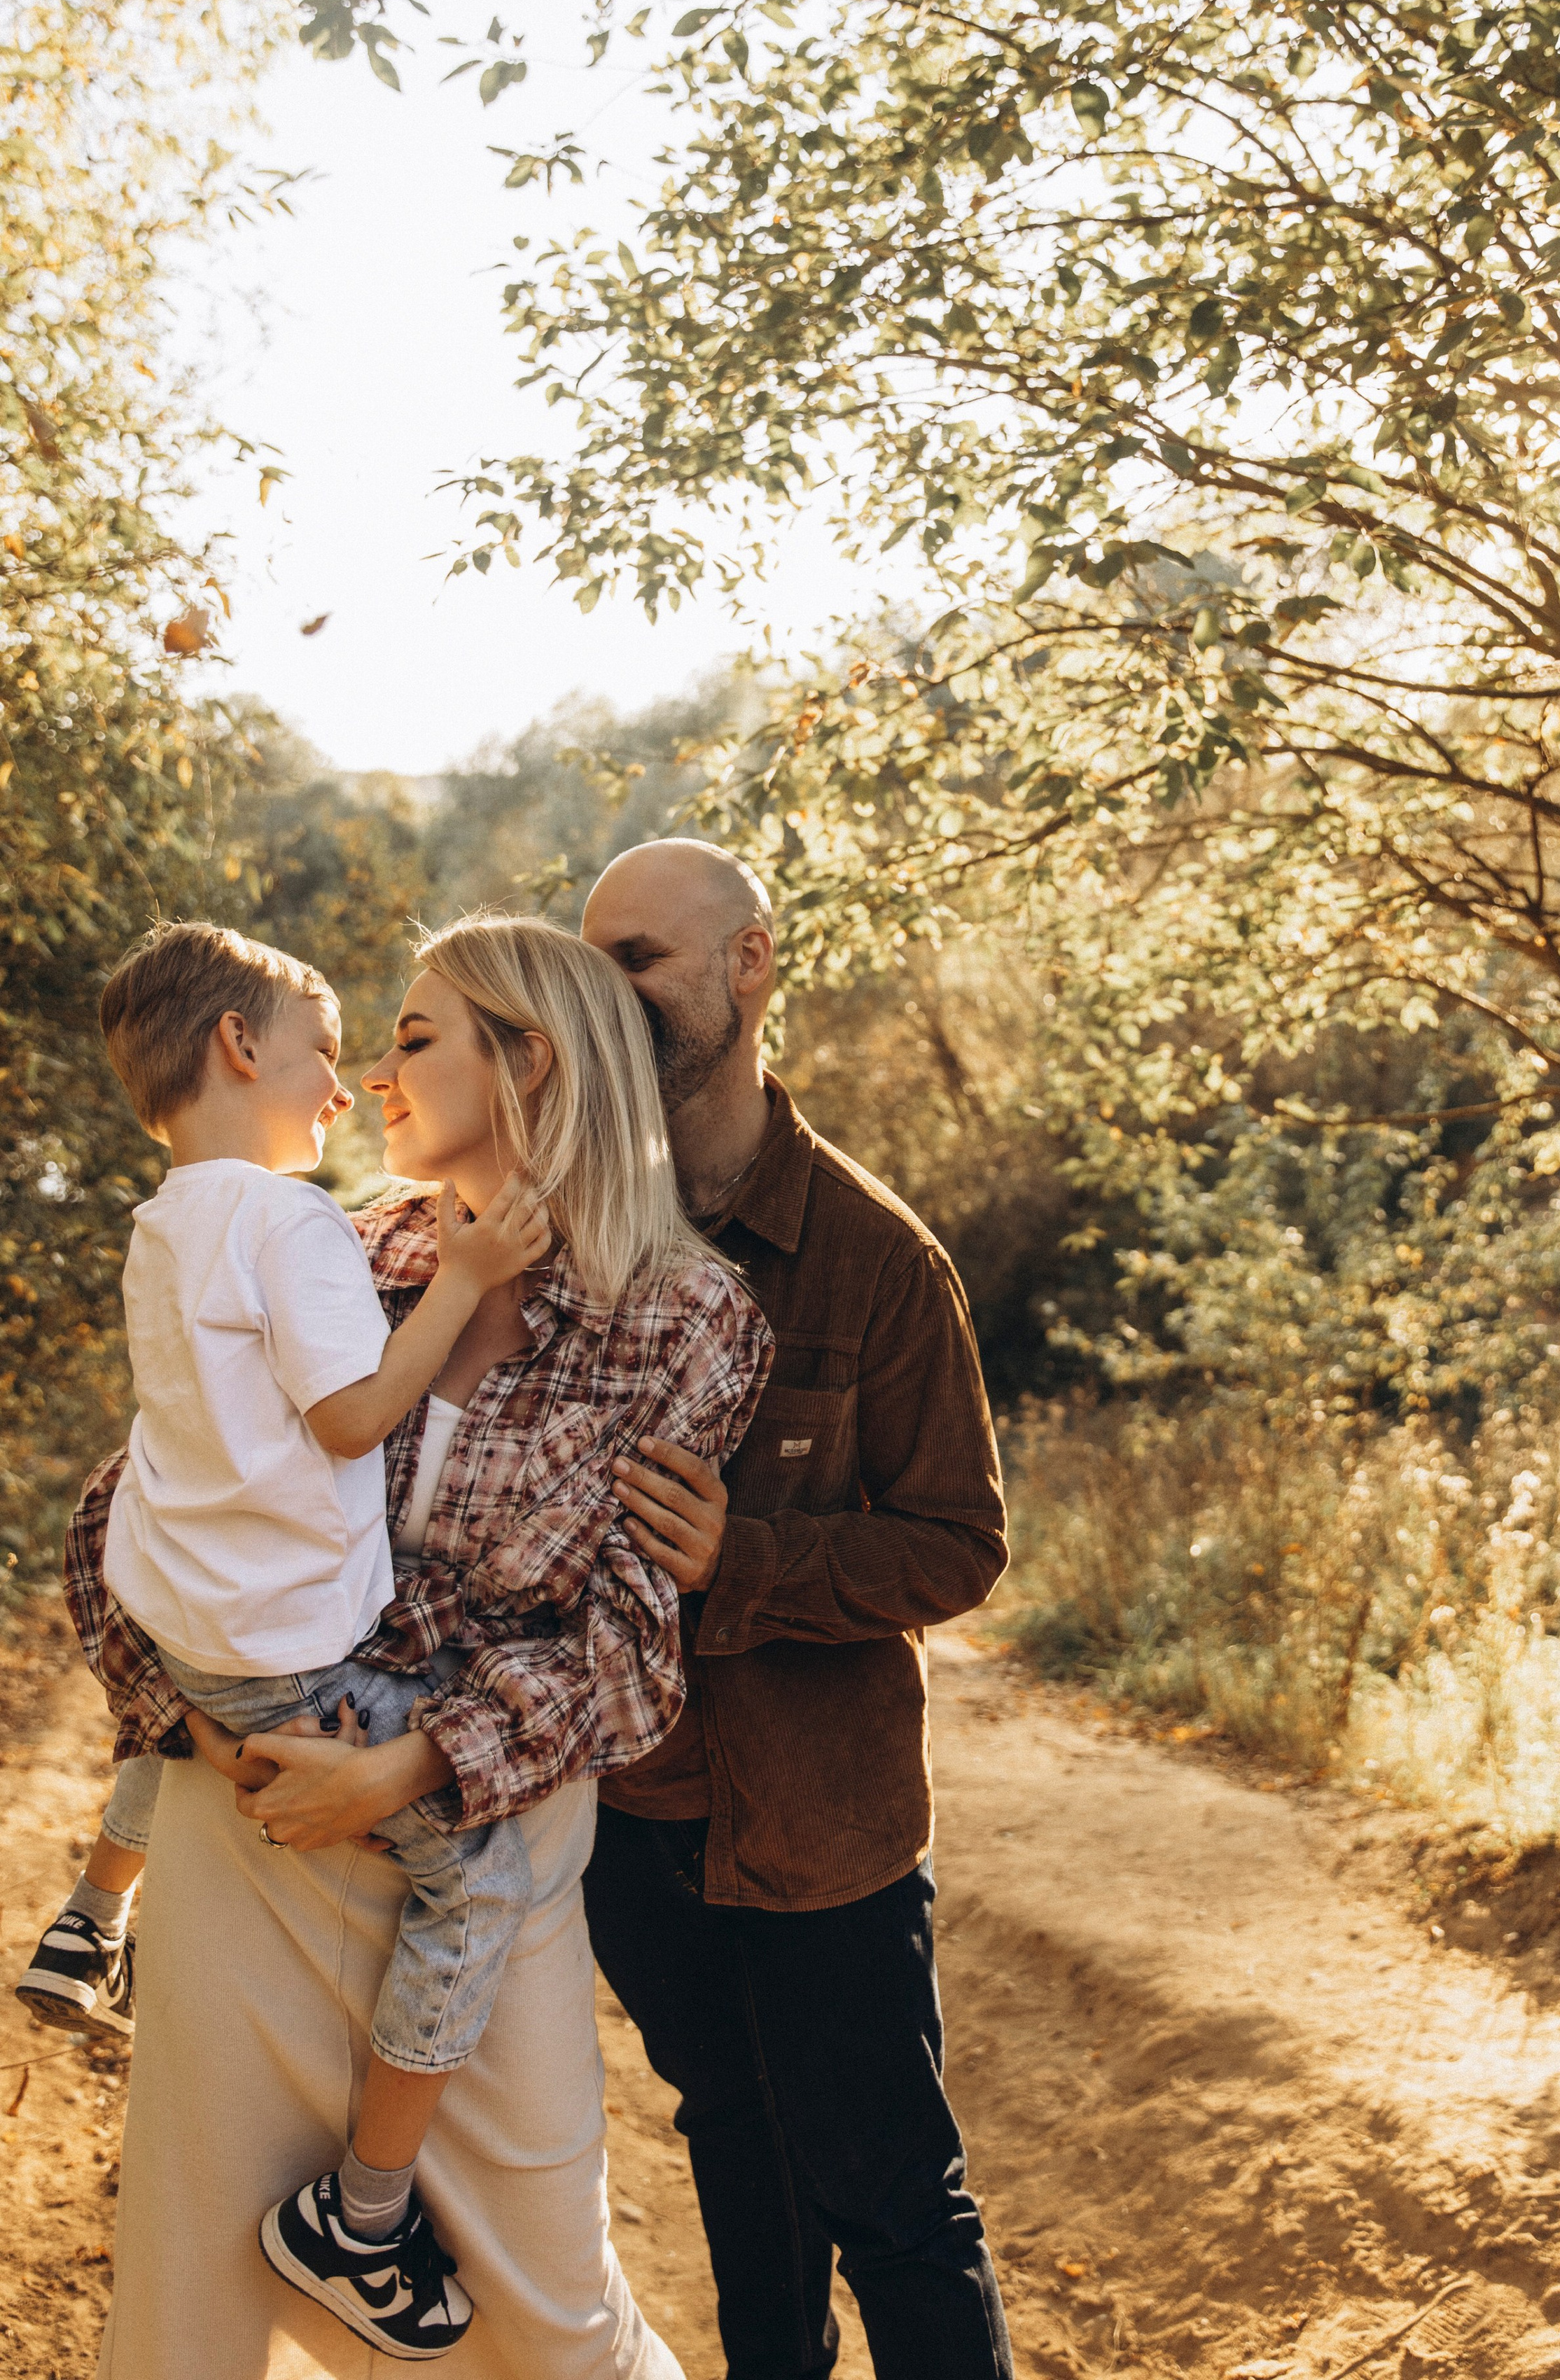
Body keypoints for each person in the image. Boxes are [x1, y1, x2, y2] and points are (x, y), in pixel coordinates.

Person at [63, 911, 772, 2380]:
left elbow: (628, 1662)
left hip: (476, 1840)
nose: (371, 1075)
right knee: (195, 2287)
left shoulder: (680, 1316)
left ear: (529, 1060)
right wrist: (200, 1732)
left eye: (411, 1038)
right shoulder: (328, 1242)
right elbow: (121, 1512)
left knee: (544, 2302)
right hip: (244, 1822)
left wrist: (402, 1771)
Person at [20, 920, 551, 2360]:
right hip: (290, 1655)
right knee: (480, 1885)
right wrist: (465, 1267)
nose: (345, 1089)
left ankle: (92, 1909)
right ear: (240, 1049)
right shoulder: (289, 1221)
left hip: (185, 1626)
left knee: (209, 1678)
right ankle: (359, 2216)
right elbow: (351, 1418)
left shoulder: (162, 1224)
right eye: (325, 1057)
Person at [580, 839, 1015, 2380]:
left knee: (896, 2211)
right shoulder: (572, 1234)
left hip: (822, 1838)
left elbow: (957, 1548)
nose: (606, 991)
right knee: (745, 2199)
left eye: (638, 957)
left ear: (747, 966)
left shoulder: (879, 1261)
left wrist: (741, 1563)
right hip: (636, 1829)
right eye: (594, 959)